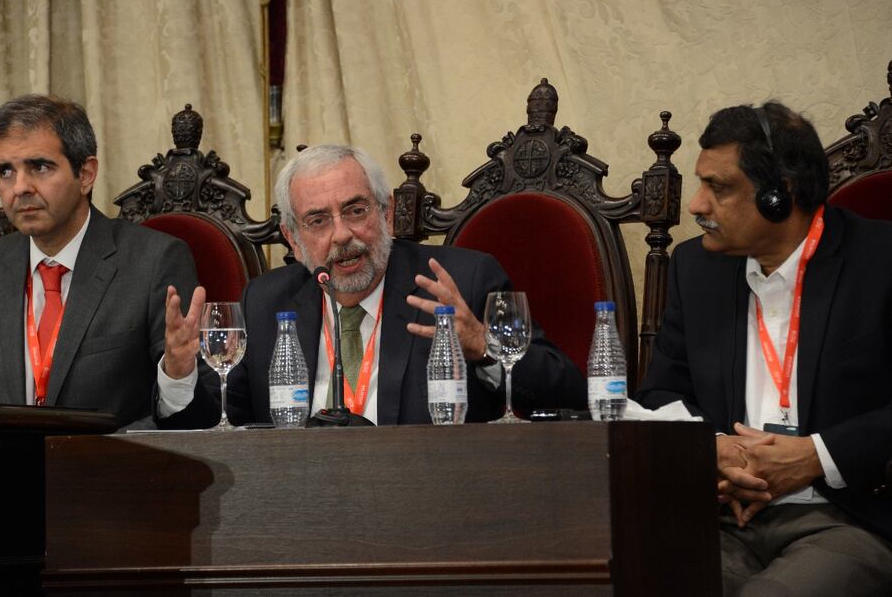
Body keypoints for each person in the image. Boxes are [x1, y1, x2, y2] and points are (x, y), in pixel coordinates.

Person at [636, 101, 892, 595]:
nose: (697, 206)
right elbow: (660, 394)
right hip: (723, 518)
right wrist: (712, 448)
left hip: (848, 519)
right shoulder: (696, 269)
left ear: (780, 195)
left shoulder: (879, 260)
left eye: (719, 188)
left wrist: (816, 456)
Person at [198, 144, 585, 425]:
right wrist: (177, 376)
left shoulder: (462, 283)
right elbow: (216, 420)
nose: (341, 235)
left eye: (356, 210)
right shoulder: (265, 302)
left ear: (387, 214)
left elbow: (569, 397)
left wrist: (483, 346)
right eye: (318, 221)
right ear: (293, 238)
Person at [0, 95, 220, 430]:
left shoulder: (153, 262)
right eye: (6, 171)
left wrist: (177, 376)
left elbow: (202, 418)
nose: (20, 187)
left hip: (111, 461)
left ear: (86, 174)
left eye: (40, 167)